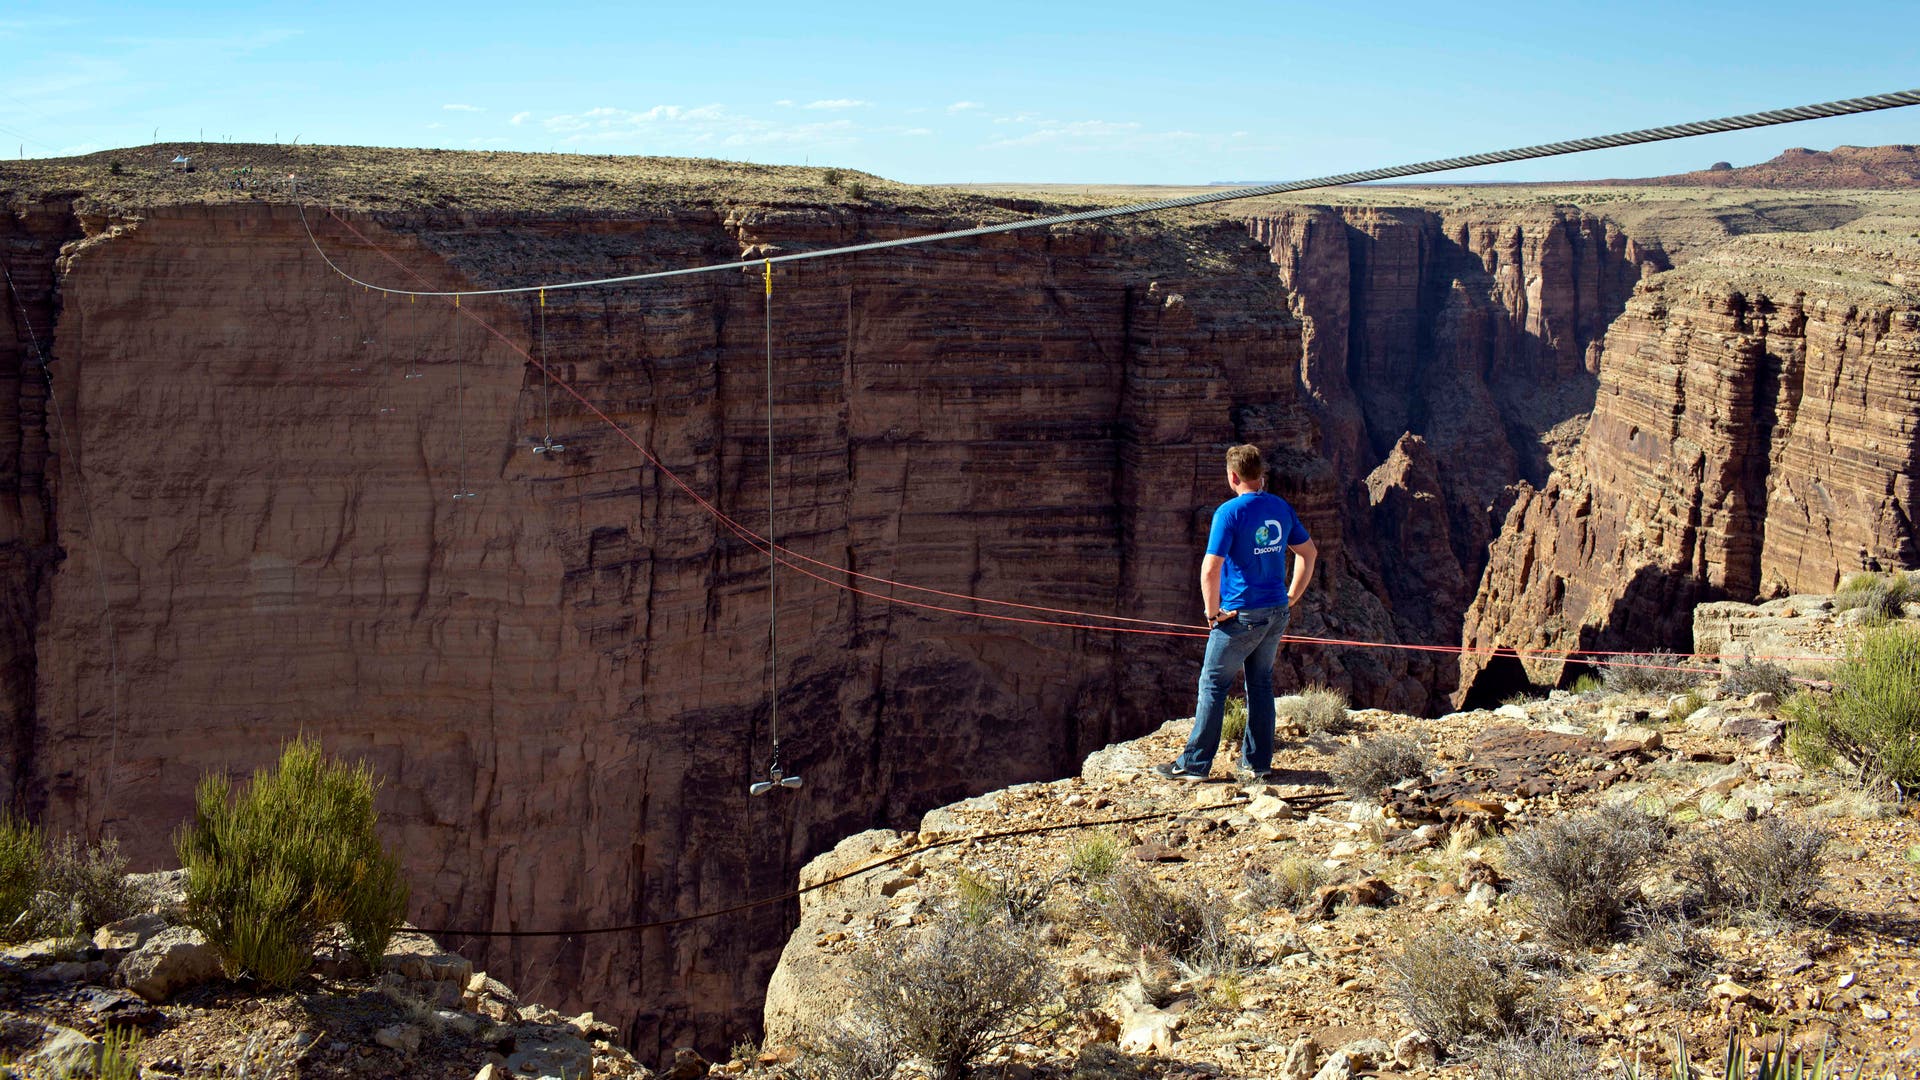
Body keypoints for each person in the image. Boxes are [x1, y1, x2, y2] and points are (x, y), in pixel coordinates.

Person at [1156, 444, 1316, 783]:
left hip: (1241, 615)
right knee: (1260, 684)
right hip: (1275, 611)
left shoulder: (1229, 513)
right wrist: (1290, 597)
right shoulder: (1280, 507)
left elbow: (1210, 569)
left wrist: (1212, 613)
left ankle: (1194, 765)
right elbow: (1308, 553)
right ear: (1260, 475)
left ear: (1232, 476)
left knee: (1213, 684)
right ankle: (1257, 764)